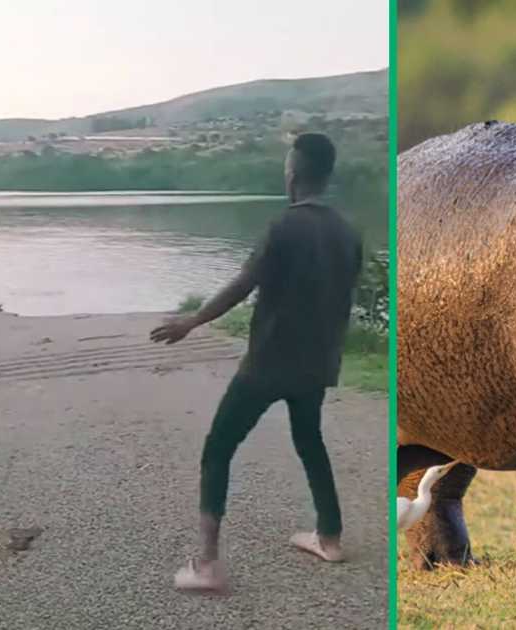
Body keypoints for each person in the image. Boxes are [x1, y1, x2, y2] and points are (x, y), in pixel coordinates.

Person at [150, 133, 363, 592]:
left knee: (219, 447)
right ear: (327, 175)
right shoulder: (347, 230)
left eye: (288, 166)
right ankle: (329, 538)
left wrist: (193, 320)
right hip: (317, 364)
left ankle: (207, 565)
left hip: (269, 363)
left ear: (293, 173)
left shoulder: (283, 226)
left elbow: (243, 284)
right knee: (310, 441)